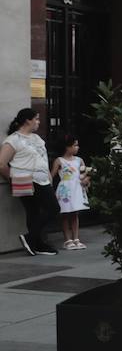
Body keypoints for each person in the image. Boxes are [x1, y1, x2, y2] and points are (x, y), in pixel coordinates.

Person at [0, 108, 58, 256]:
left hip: (42, 179)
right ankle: (31, 238)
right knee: (52, 209)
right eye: (36, 119)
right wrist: (12, 179)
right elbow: (2, 163)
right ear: (27, 120)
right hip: (26, 180)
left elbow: (42, 159)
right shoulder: (13, 140)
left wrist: (48, 175)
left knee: (35, 212)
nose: (38, 122)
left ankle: (36, 244)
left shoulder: (36, 138)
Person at [53, 134, 90, 250]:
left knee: (75, 214)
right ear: (67, 147)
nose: (77, 147)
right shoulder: (59, 161)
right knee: (65, 214)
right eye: (75, 145)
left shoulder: (79, 160)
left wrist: (86, 180)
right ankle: (67, 239)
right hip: (65, 189)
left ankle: (76, 238)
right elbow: (52, 175)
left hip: (77, 187)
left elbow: (85, 174)